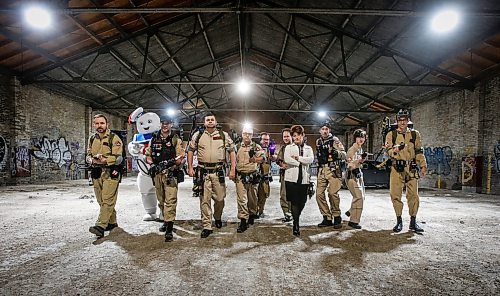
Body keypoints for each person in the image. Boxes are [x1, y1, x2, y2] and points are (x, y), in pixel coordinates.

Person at [187, 114, 236, 238]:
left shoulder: (223, 135)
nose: (210, 121)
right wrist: (190, 167)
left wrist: (232, 169)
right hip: (202, 172)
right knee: (204, 200)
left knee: (220, 199)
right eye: (207, 120)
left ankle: (217, 217)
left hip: (218, 171)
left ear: (215, 122)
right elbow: (190, 150)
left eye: (212, 120)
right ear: (204, 123)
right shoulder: (198, 135)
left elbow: (232, 151)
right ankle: (207, 225)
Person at [385, 109, 427, 233]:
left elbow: (419, 151)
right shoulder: (391, 135)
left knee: (413, 195)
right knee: (395, 195)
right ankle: (399, 221)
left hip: (411, 168)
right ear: (397, 121)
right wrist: (394, 151)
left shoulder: (415, 134)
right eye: (400, 120)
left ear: (408, 120)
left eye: (404, 120)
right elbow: (387, 151)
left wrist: (423, 165)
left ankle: (413, 222)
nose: (402, 122)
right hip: (396, 169)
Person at [145, 115, 184, 242]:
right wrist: (152, 165)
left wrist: (170, 163)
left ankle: (169, 227)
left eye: (167, 123)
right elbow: (148, 155)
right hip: (157, 174)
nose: (164, 125)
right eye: (163, 123)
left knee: (170, 200)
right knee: (161, 200)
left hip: (170, 174)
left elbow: (180, 158)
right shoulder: (154, 138)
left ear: (171, 125)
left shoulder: (175, 139)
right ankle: (166, 220)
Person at [87, 114, 124, 239]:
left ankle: (100, 226)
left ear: (107, 124)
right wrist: (90, 160)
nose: (99, 126)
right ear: (94, 125)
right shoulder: (92, 139)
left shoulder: (114, 138)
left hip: (111, 173)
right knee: (101, 200)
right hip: (97, 173)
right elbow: (88, 154)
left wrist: (105, 160)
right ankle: (112, 223)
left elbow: (119, 158)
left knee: (107, 200)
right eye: (97, 123)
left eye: (102, 123)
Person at [315, 121, 346, 229]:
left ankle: (337, 216)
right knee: (319, 194)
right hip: (322, 169)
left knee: (332, 193)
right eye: (323, 129)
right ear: (320, 130)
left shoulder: (335, 140)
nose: (325, 131)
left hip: (333, 169)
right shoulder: (318, 141)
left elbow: (344, 154)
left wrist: (336, 153)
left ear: (329, 130)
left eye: (326, 129)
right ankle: (327, 217)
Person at [284, 125, 314, 236]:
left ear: (303, 136)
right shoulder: (289, 148)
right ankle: (296, 224)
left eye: (298, 135)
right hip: (291, 179)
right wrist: (299, 163)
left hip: (304, 179)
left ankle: (296, 217)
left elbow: (311, 159)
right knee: (294, 202)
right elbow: (287, 159)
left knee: (303, 201)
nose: (296, 138)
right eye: (294, 136)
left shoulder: (308, 148)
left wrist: (299, 158)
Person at [234, 126, 265, 232]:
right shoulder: (237, 146)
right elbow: (232, 160)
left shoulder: (256, 146)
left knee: (252, 199)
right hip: (240, 177)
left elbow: (263, 158)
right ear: (242, 134)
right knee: (242, 200)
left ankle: (252, 214)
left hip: (252, 177)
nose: (247, 135)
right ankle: (243, 220)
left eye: (250, 134)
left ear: (252, 135)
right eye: (245, 133)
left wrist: (256, 159)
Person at [345, 129, 368, 229]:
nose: (361, 139)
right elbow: (349, 164)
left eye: (363, 137)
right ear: (355, 138)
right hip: (352, 175)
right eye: (359, 137)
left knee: (361, 196)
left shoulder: (360, 149)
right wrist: (358, 161)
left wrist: (362, 160)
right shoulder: (352, 149)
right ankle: (353, 221)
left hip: (358, 174)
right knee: (359, 198)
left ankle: (351, 211)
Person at [273, 128, 292, 222]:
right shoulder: (283, 148)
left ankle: (294, 213)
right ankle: (287, 214)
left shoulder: (296, 147)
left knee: (294, 195)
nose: (286, 138)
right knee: (284, 195)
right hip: (284, 175)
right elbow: (278, 160)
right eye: (284, 136)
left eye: (288, 136)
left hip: (295, 175)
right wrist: (282, 165)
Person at [256, 132, 272, 218]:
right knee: (255, 195)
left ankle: (261, 211)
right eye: (264, 139)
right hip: (256, 176)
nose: (266, 141)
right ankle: (254, 211)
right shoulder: (256, 148)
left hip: (265, 177)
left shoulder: (270, 150)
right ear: (261, 140)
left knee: (264, 195)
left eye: (267, 140)